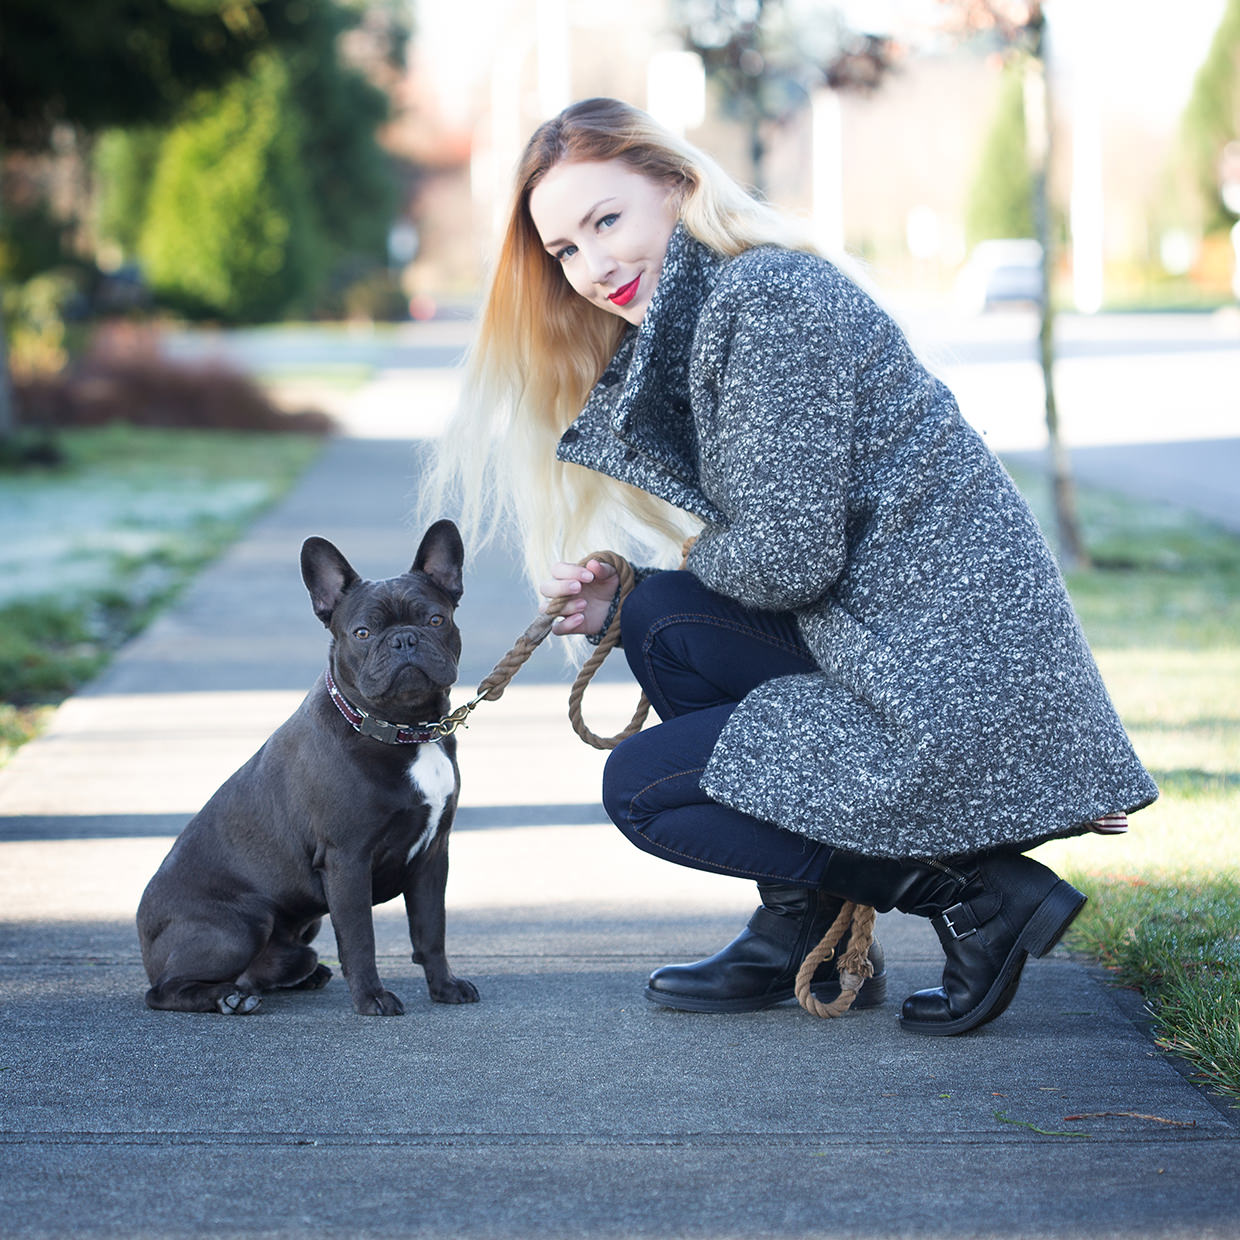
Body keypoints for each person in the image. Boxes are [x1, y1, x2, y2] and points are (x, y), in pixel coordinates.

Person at [431, 97, 1158, 1036]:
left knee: (646, 789)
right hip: (895, 654)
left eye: (606, 221)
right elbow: (778, 554)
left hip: (951, 691)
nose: (594, 266)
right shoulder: (717, 310)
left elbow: (784, 559)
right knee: (662, 621)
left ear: (676, 187)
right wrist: (631, 592)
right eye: (565, 250)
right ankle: (798, 929)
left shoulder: (765, 301)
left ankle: (975, 891)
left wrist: (682, 560)